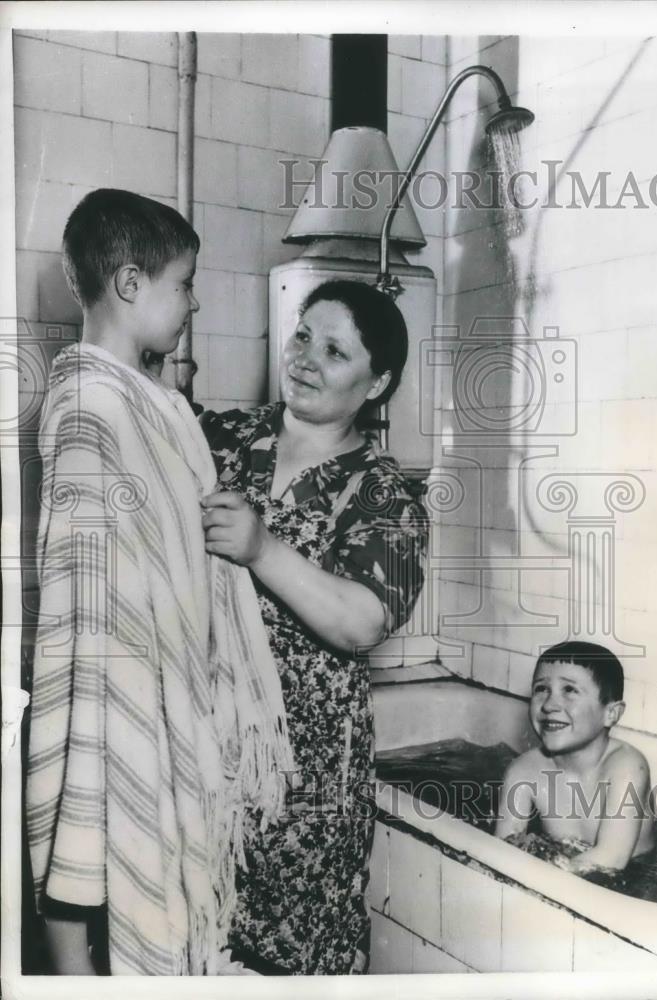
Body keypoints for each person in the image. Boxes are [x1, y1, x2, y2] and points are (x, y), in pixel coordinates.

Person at [26, 189, 294, 976]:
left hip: (167, 665)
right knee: (82, 813)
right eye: (184, 284)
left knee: (133, 834)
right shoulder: (85, 403)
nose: (195, 302)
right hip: (109, 667)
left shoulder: (158, 404)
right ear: (132, 284)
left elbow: (177, 540)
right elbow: (79, 573)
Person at [200, 279, 429, 974]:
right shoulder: (225, 438)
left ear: (377, 382)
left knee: (289, 957)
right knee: (201, 934)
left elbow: (362, 621)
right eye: (303, 336)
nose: (305, 358)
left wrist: (262, 548)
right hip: (209, 737)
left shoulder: (383, 489)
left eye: (335, 351)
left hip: (310, 766)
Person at [495, 641, 653, 872]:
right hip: (566, 871)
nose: (549, 704)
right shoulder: (522, 771)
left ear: (611, 713)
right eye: (541, 689)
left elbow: (613, 857)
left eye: (569, 690)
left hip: (636, 877)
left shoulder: (626, 766)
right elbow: (503, 847)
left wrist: (552, 873)